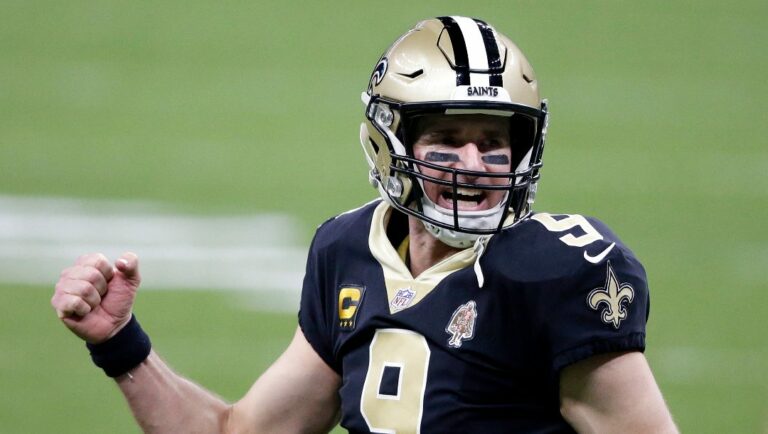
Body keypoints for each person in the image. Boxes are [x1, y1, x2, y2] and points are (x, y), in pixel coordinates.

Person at [51, 16, 678, 433]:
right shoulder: (348, 249)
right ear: (390, 144)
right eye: (447, 141)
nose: (475, 165)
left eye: (494, 142)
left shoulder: (560, 271)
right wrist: (120, 343)